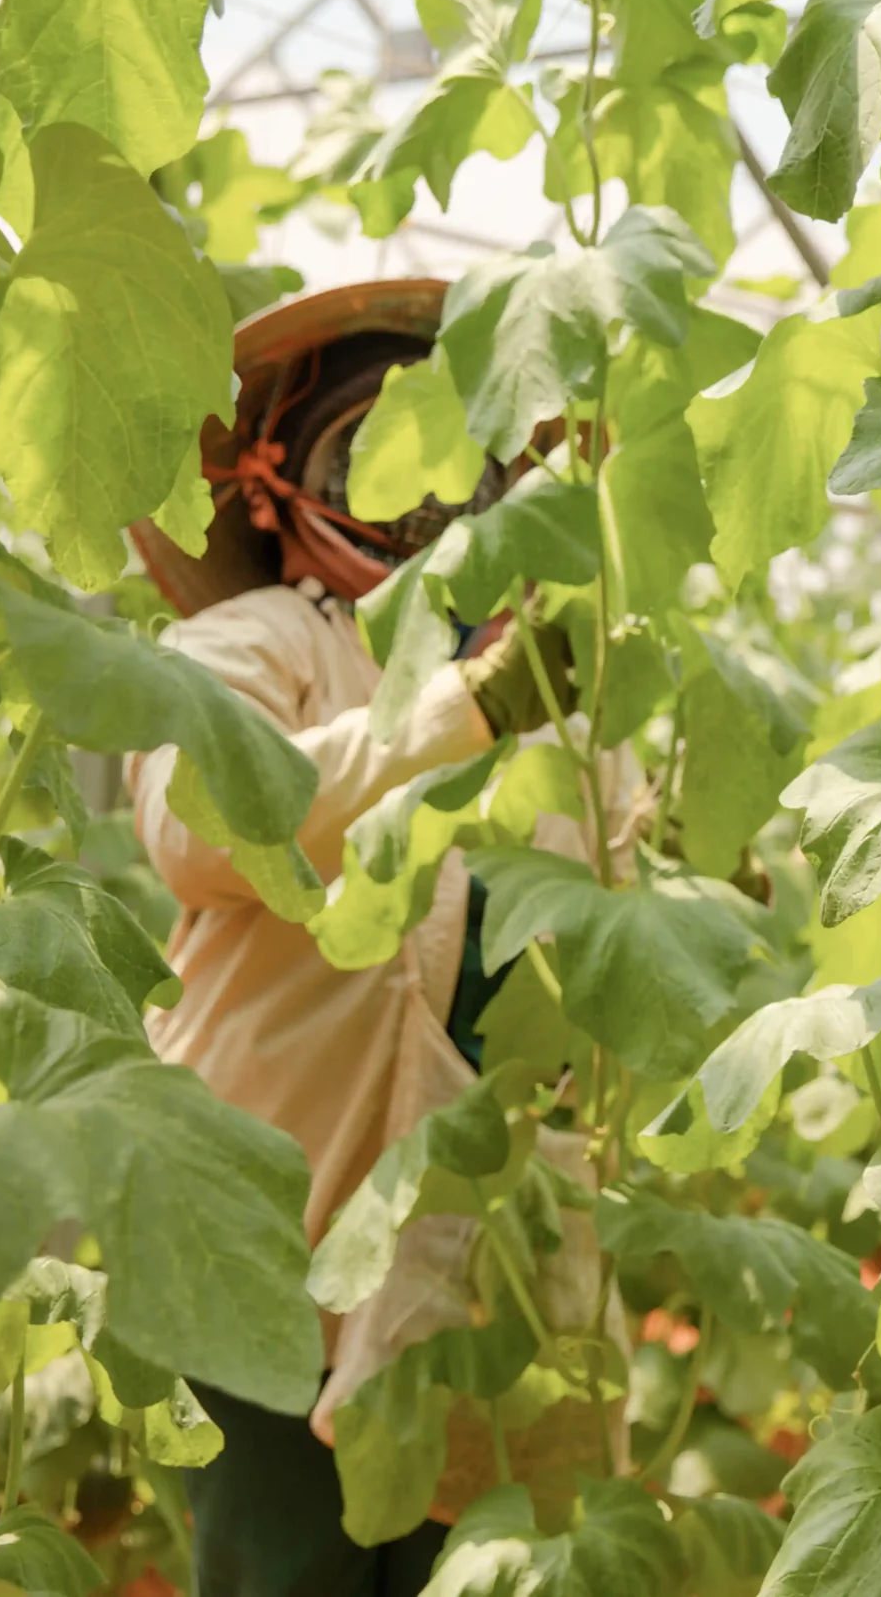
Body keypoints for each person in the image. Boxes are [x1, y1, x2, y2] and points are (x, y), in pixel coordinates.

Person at [125, 280, 610, 1597]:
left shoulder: (553, 686)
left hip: (472, 1260)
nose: (428, 486)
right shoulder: (262, 639)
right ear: (285, 477)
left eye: (459, 445)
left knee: (454, 1568)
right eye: (377, 445)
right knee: (285, 1568)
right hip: (265, 1248)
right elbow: (200, 822)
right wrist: (459, 710)